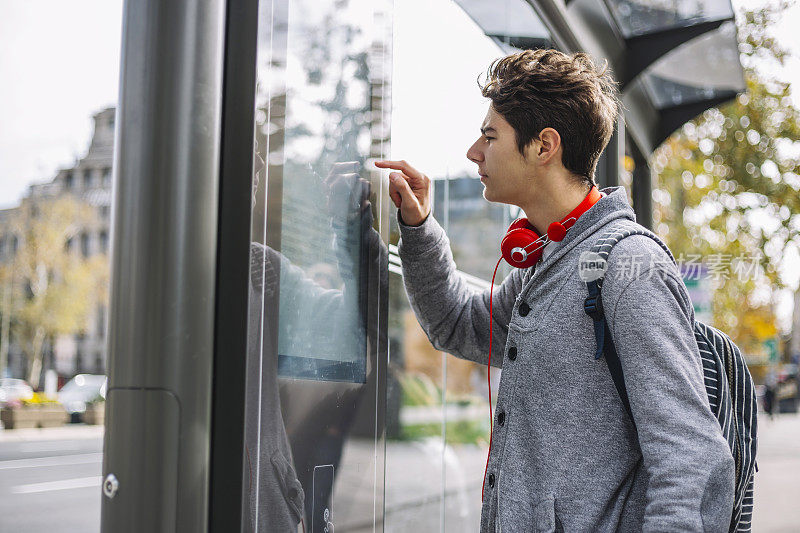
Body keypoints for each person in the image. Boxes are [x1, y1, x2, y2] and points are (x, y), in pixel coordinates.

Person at [376, 49, 734, 532]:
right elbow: (458, 324)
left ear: (544, 146)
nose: (473, 152)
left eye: (489, 136)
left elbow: (689, 457)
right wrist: (418, 227)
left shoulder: (630, 265)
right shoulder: (547, 263)